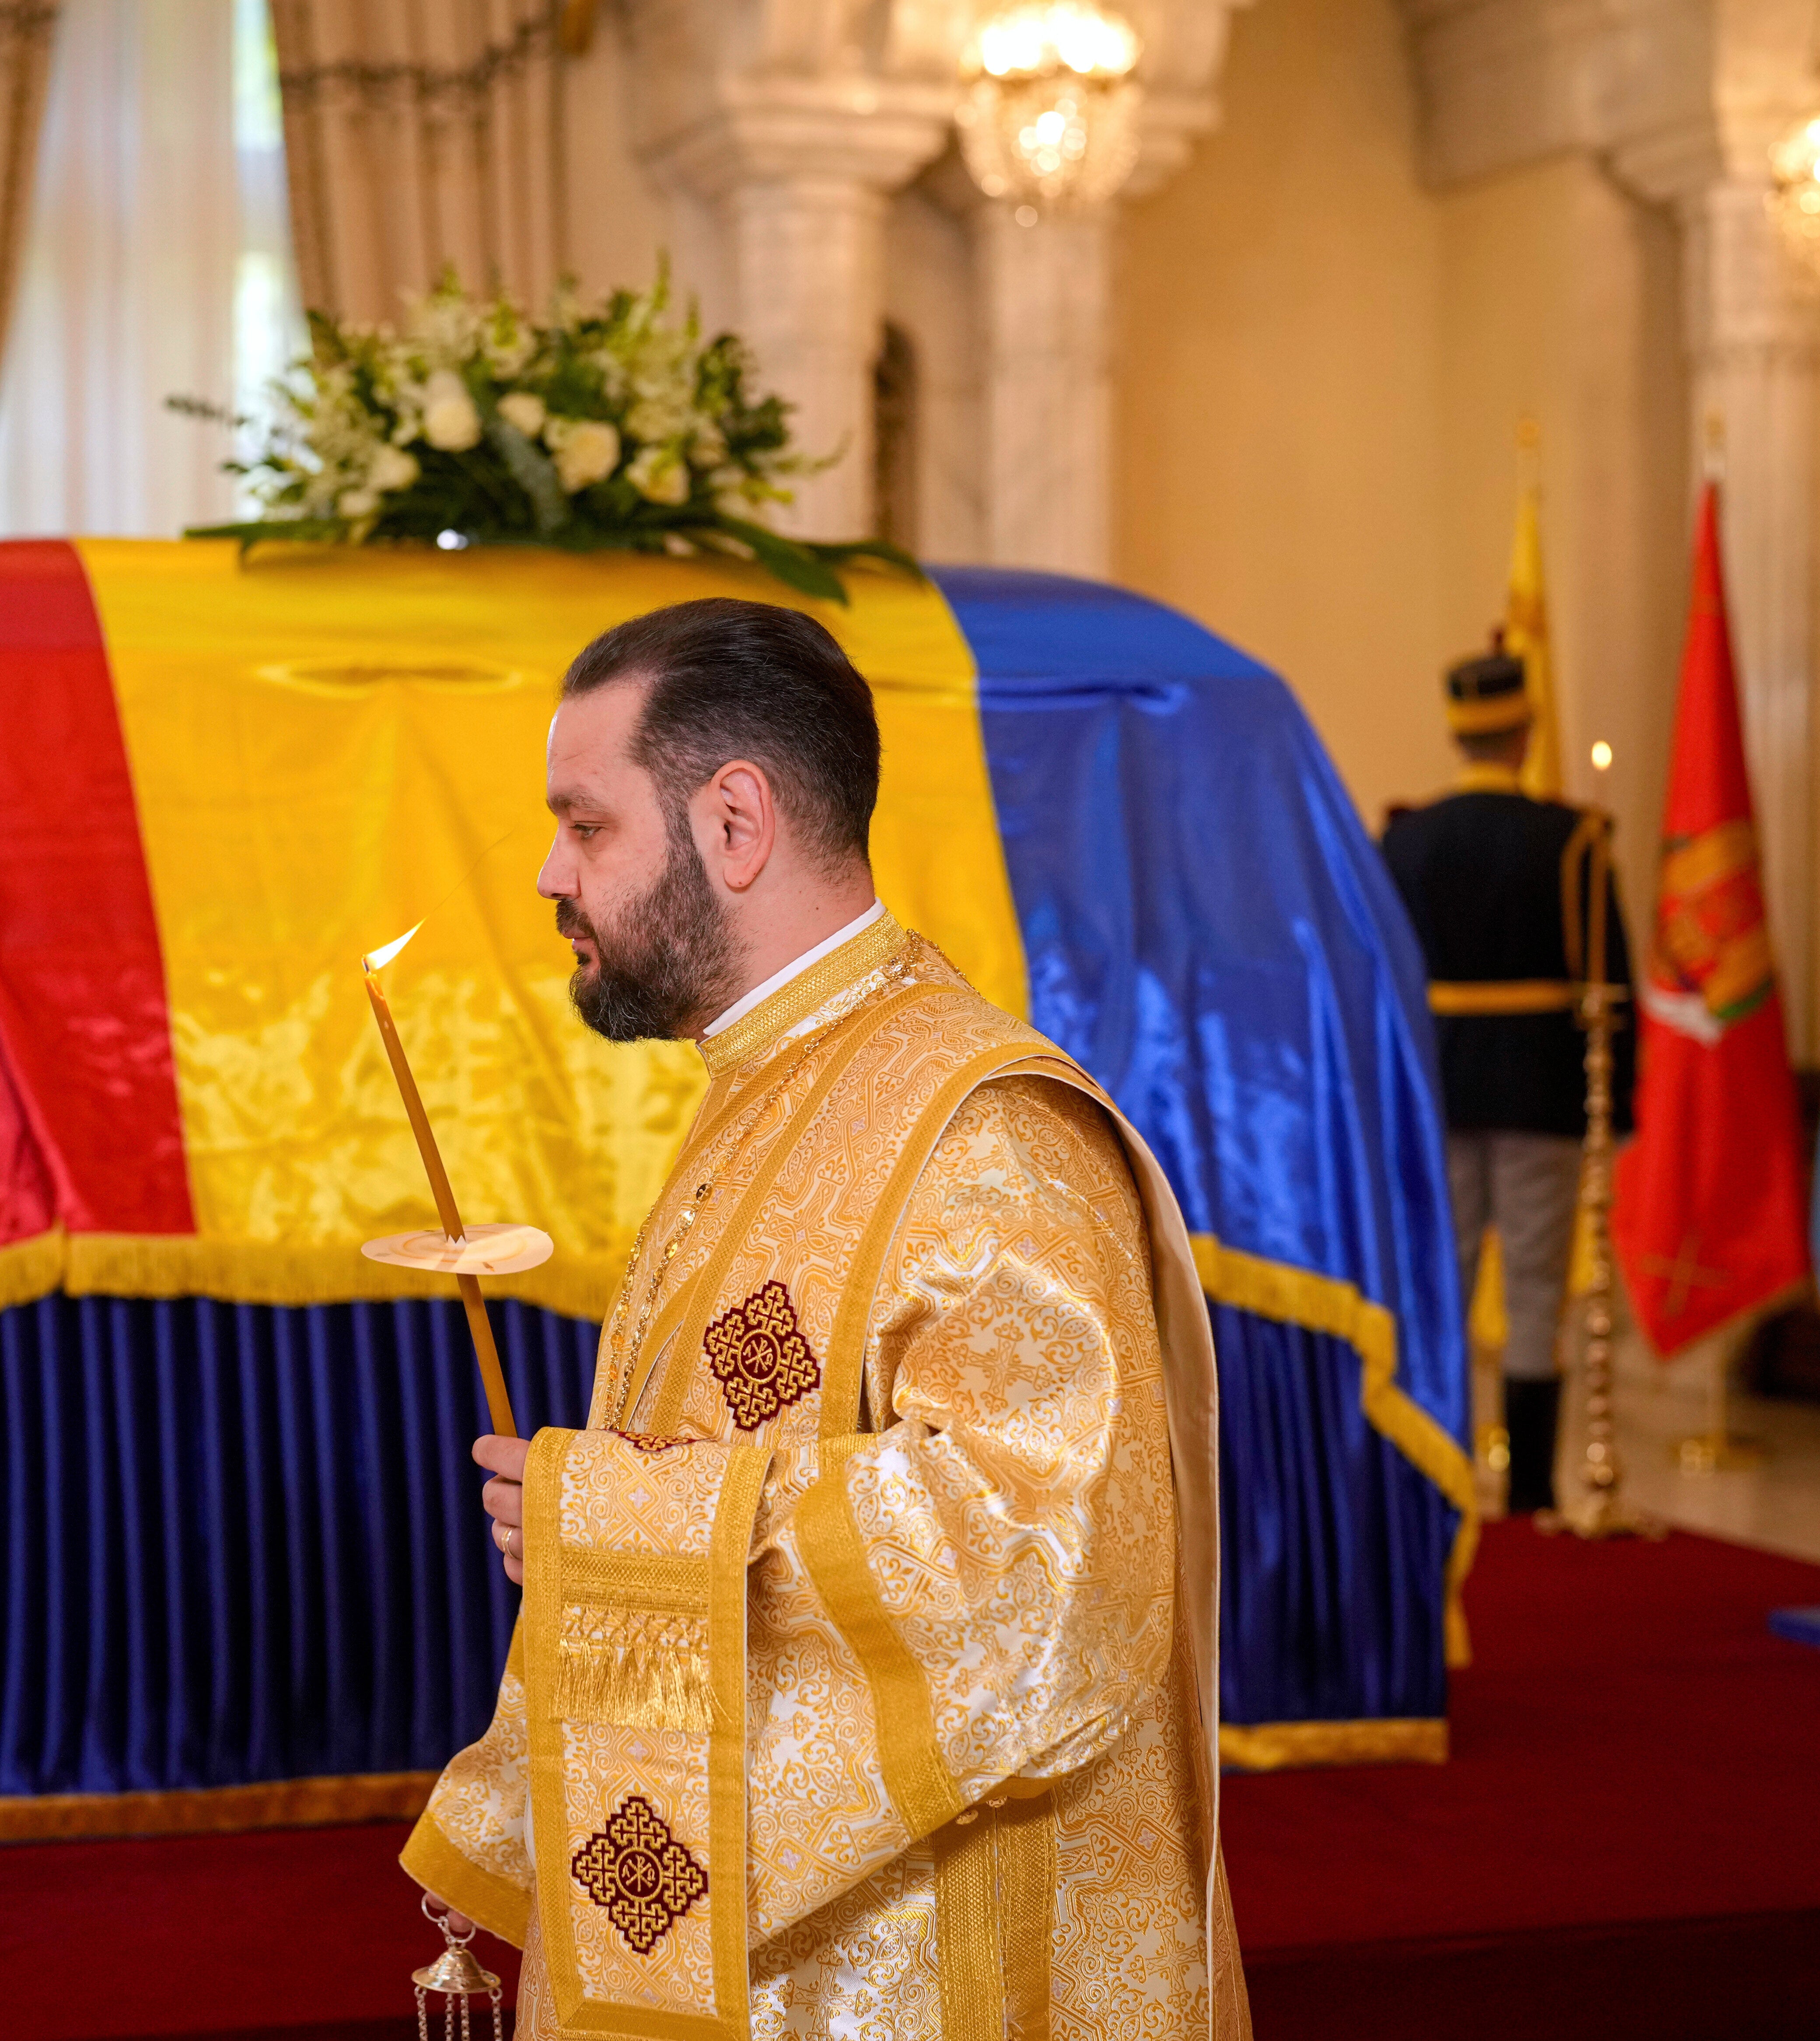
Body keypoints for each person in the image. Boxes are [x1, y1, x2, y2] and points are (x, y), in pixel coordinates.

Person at [401, 598, 1246, 2040]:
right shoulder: (778, 1082)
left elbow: (1053, 1564)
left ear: (736, 820)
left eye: (586, 823)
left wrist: (616, 1518)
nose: (552, 870)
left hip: (909, 1989)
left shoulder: (982, 1128)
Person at [1378, 638, 1635, 1516]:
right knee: (1532, 1285)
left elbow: (1377, 980)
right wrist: (1619, 1107)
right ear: (1524, 732)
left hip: (1438, 1088)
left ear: (1457, 733)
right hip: (1539, 1088)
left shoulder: (1405, 841)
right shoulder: (1571, 841)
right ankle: (1528, 1490)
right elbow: (1610, 981)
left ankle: (1438, 1470)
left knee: (1438, 1281)